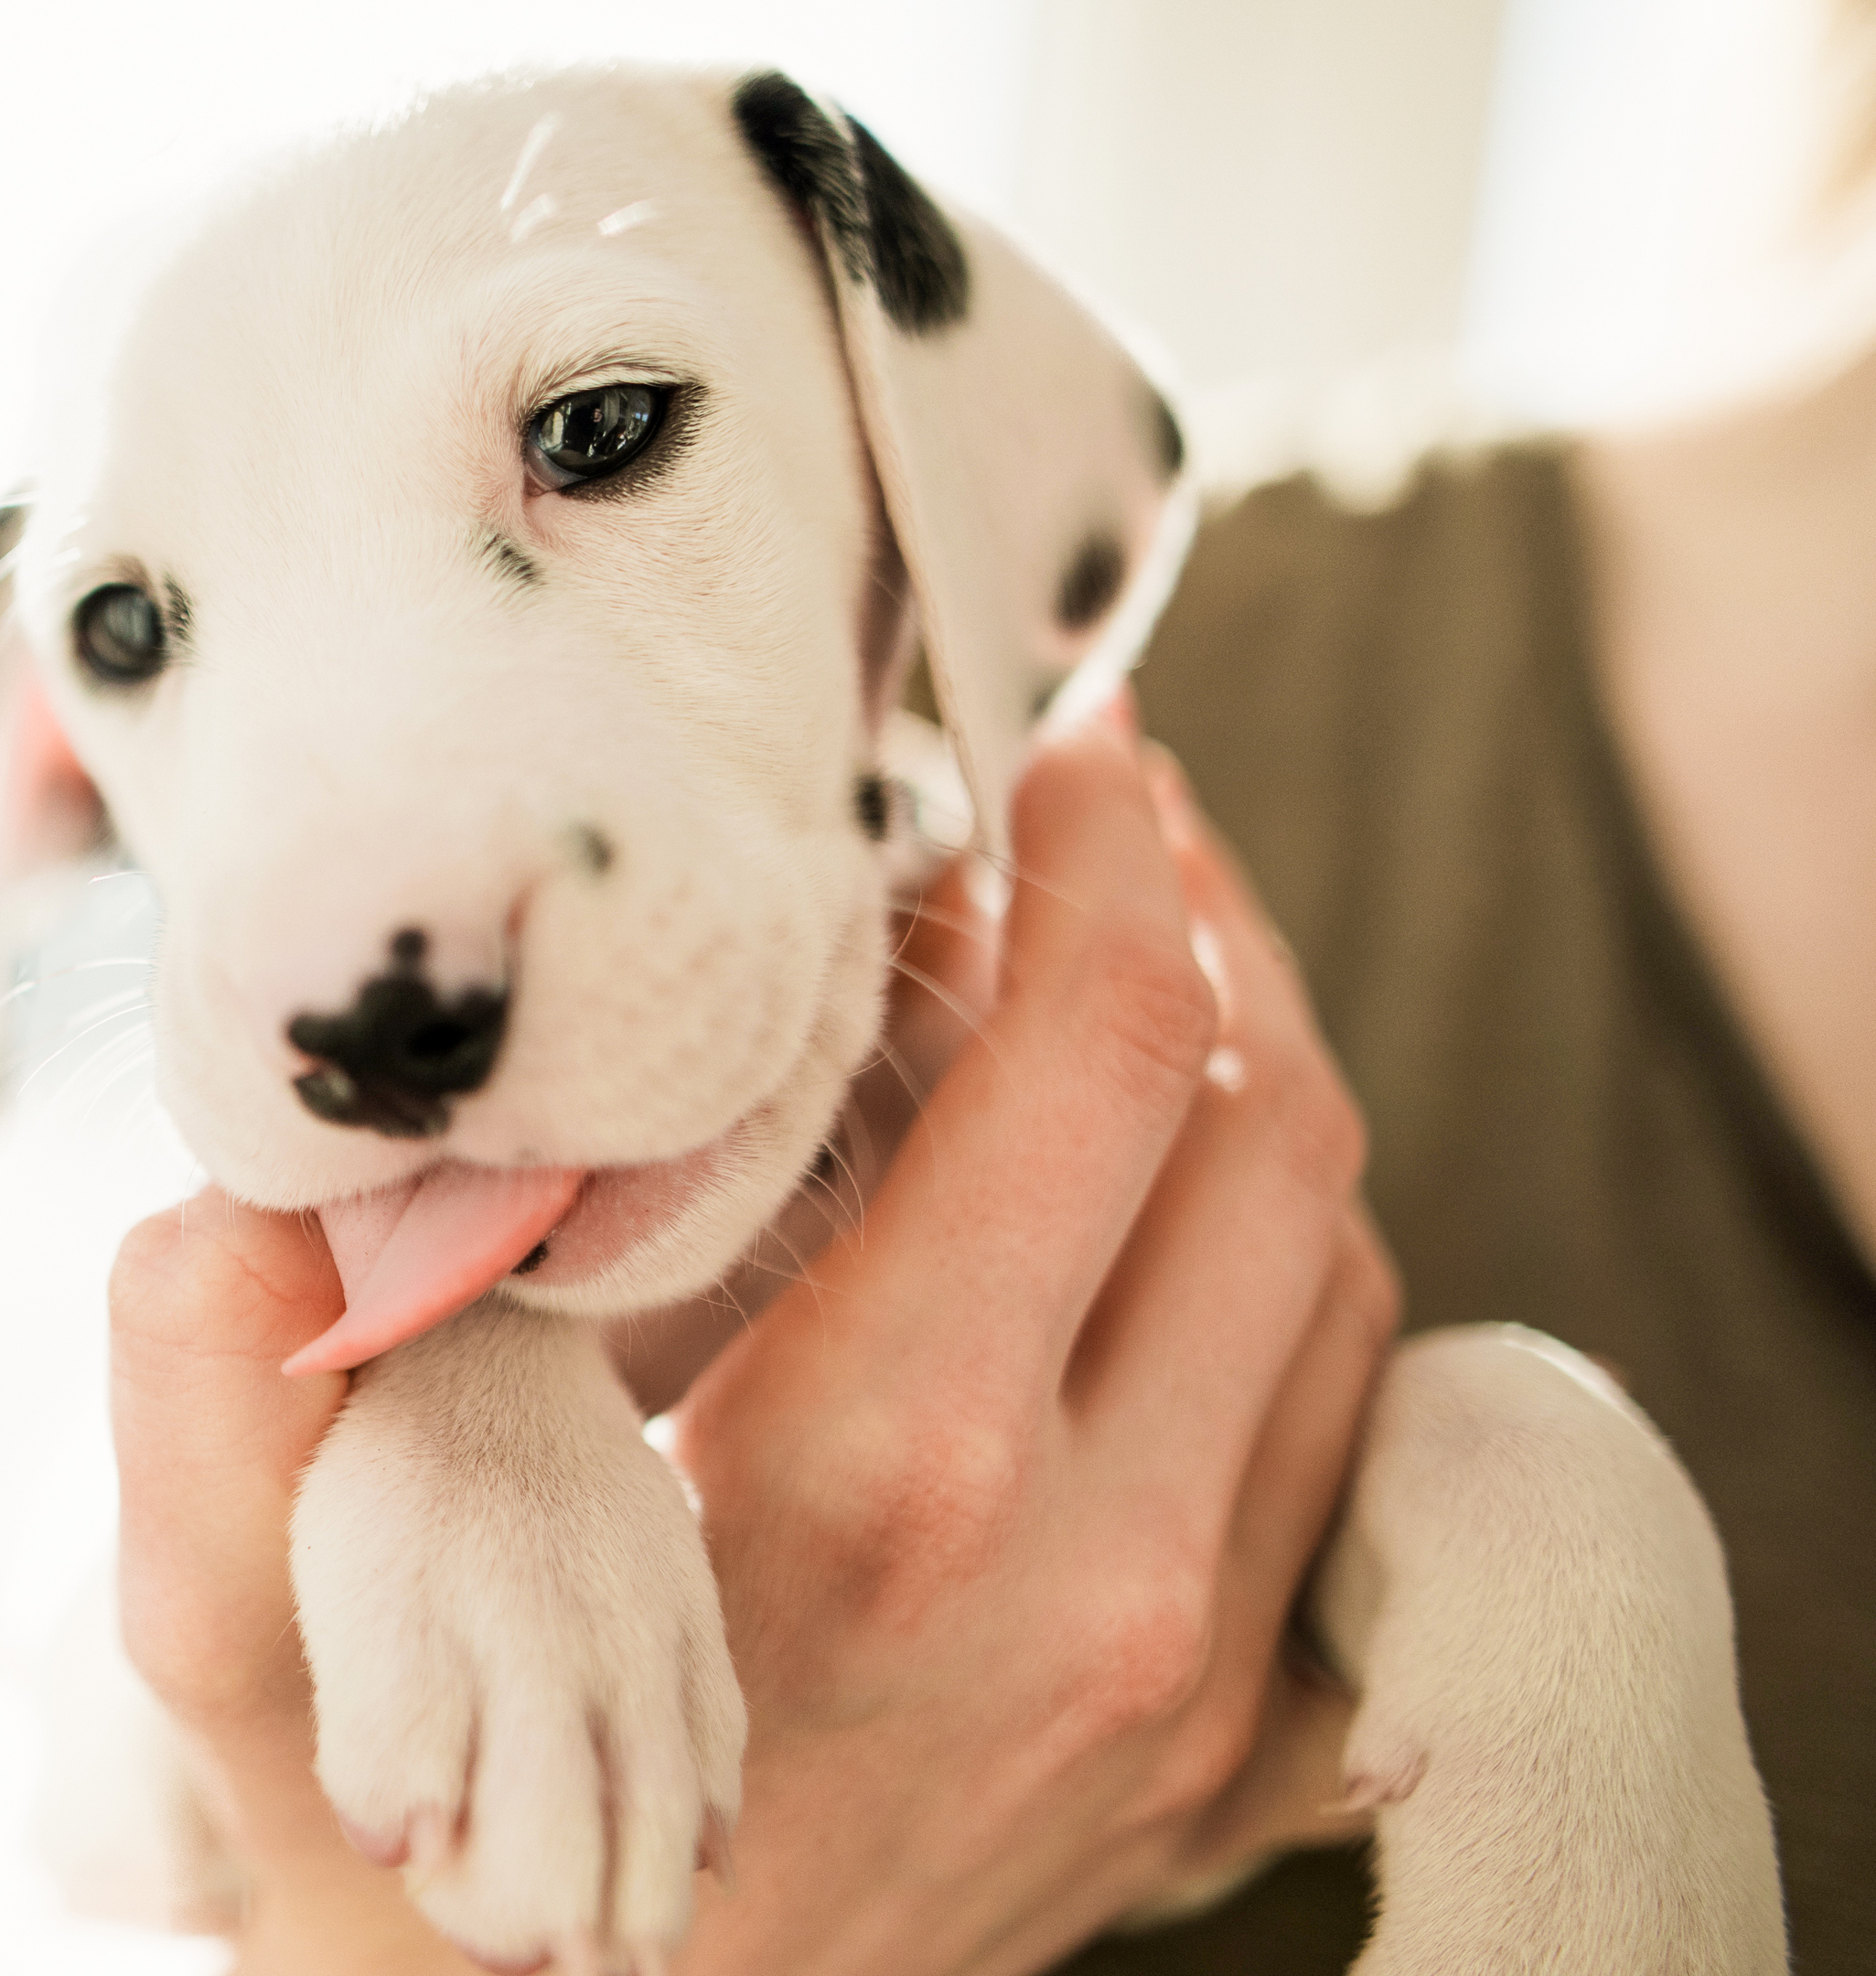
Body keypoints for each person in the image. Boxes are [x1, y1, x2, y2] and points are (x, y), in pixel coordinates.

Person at [112, 24, 1876, 1974]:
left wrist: (1553, 1539)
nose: (376, 943)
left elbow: (1258, 1549)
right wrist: (446, 1415)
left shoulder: (1186, 702)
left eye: (603, 428)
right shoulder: (1325, 624)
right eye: (124, 630)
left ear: (942, 447)